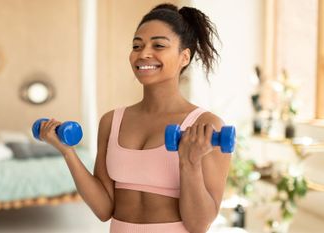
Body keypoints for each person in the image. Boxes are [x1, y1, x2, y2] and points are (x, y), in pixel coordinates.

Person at [39, 3, 231, 233]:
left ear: (184, 57)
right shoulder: (111, 121)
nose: (143, 53)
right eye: (136, 45)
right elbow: (103, 209)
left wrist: (189, 163)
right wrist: (67, 151)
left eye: (158, 45)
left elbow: (199, 225)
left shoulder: (206, 127)